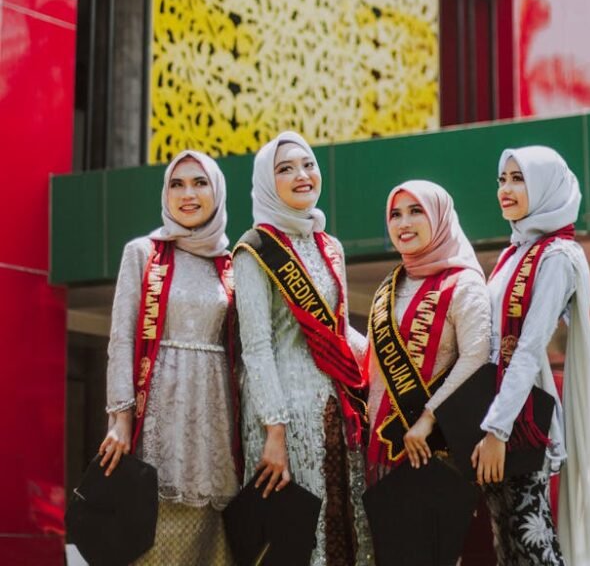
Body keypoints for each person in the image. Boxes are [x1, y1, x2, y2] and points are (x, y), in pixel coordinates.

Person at [471, 145, 590, 566]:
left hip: (521, 424)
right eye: (503, 179)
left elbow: (529, 347)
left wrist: (497, 432)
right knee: (510, 548)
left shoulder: (558, 256)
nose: (506, 188)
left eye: (519, 179)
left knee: (532, 545)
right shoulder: (512, 252)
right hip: (495, 416)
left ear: (544, 186)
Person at [233, 131, 373, 566]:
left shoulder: (331, 245)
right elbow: (256, 347)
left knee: (343, 526)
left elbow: (339, 328)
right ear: (266, 182)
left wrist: (391, 347)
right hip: (285, 415)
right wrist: (274, 431)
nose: (301, 175)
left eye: (308, 165)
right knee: (297, 535)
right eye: (285, 169)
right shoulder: (253, 249)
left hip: (335, 407)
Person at [101, 150, 240, 565]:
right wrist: (121, 419)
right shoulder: (143, 252)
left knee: (213, 540)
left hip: (215, 418)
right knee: (154, 537)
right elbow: (122, 339)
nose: (188, 194)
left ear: (217, 191)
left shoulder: (231, 264)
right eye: (177, 184)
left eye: (200, 183)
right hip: (159, 416)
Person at [367, 180, 491, 479]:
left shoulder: (464, 284)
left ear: (439, 216)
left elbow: (477, 357)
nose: (404, 223)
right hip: (377, 443)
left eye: (415, 211)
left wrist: (427, 417)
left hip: (432, 447)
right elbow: (372, 359)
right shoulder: (392, 283)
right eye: (395, 215)